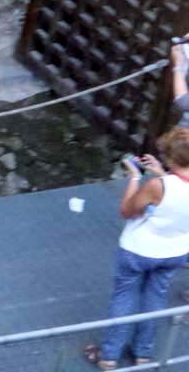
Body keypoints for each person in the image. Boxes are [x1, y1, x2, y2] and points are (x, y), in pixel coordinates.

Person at [84, 124, 189, 370]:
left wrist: (134, 177)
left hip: (139, 250)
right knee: (156, 296)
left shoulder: (158, 186)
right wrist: (162, 173)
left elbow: (127, 211)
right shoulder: (165, 182)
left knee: (125, 297)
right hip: (175, 251)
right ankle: (143, 353)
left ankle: (109, 356)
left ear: (171, 157)